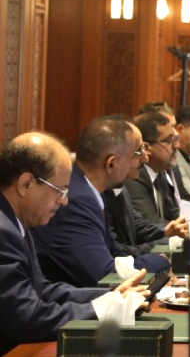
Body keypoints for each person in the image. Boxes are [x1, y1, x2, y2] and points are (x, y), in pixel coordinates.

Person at [0, 132, 149, 355]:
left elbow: (43, 290)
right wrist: (106, 309)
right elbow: (27, 318)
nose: (64, 200)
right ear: (26, 183)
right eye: (60, 190)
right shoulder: (3, 232)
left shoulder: (16, 222)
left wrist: (111, 296)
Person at [32, 117, 171, 287]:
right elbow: (105, 277)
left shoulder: (91, 190)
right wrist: (163, 259)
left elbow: (116, 253)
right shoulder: (77, 200)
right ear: (111, 164)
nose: (145, 159)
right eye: (135, 154)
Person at [105, 119, 189, 256]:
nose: (145, 158)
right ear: (112, 162)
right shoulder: (93, 197)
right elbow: (117, 252)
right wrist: (169, 244)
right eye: (139, 151)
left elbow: (138, 225)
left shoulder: (121, 187)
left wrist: (166, 232)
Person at [126, 113, 181, 226]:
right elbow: (150, 223)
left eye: (175, 139)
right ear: (146, 148)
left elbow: (172, 213)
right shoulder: (135, 175)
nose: (176, 146)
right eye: (168, 141)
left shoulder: (159, 170)